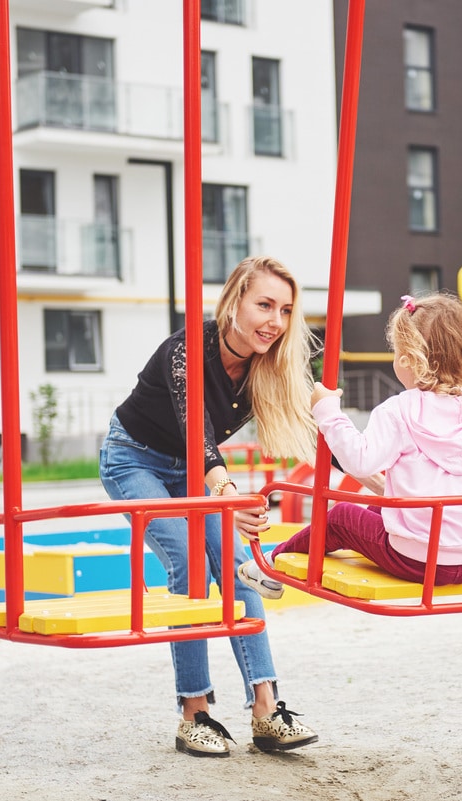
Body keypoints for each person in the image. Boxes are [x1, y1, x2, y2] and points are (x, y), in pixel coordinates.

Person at [99, 256, 319, 758]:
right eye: (264, 305)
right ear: (234, 301)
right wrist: (226, 493)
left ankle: (266, 709)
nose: (275, 322)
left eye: (284, 310)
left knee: (242, 570)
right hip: (136, 460)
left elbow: (320, 404)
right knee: (191, 564)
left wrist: (375, 464)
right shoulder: (186, 350)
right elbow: (194, 426)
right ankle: (194, 713)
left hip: (193, 472)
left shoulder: (269, 363)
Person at [238, 291, 462, 596]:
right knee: (374, 511)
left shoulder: (400, 409)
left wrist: (328, 413)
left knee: (341, 517)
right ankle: (283, 561)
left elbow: (361, 461)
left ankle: (269, 567)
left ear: (408, 359)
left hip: (417, 558)